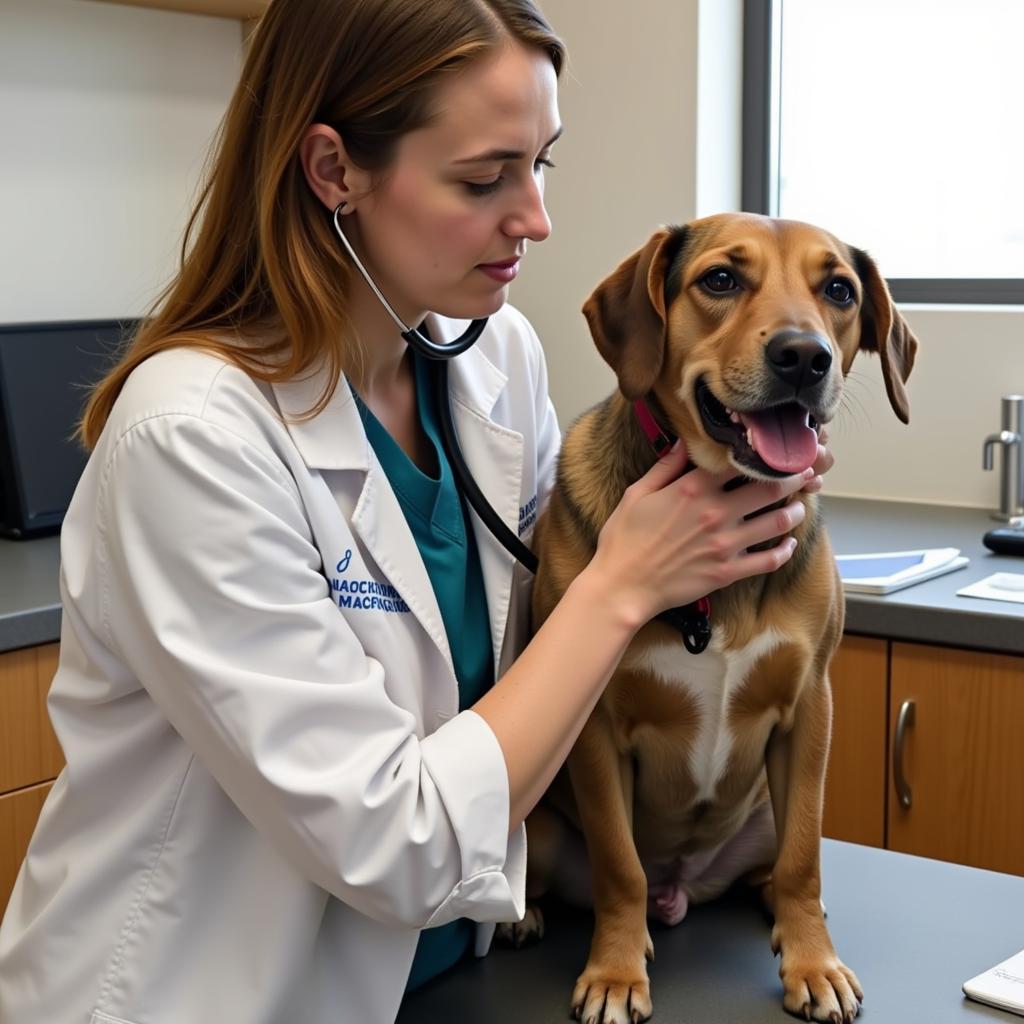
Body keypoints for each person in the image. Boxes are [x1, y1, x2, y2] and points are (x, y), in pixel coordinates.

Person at [0, 2, 832, 1022]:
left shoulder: (492, 353)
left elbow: (529, 655)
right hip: (211, 991)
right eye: (485, 178)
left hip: (448, 967)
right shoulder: (191, 438)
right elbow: (391, 838)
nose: (533, 217)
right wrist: (624, 584)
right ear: (332, 169)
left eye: (542, 165)